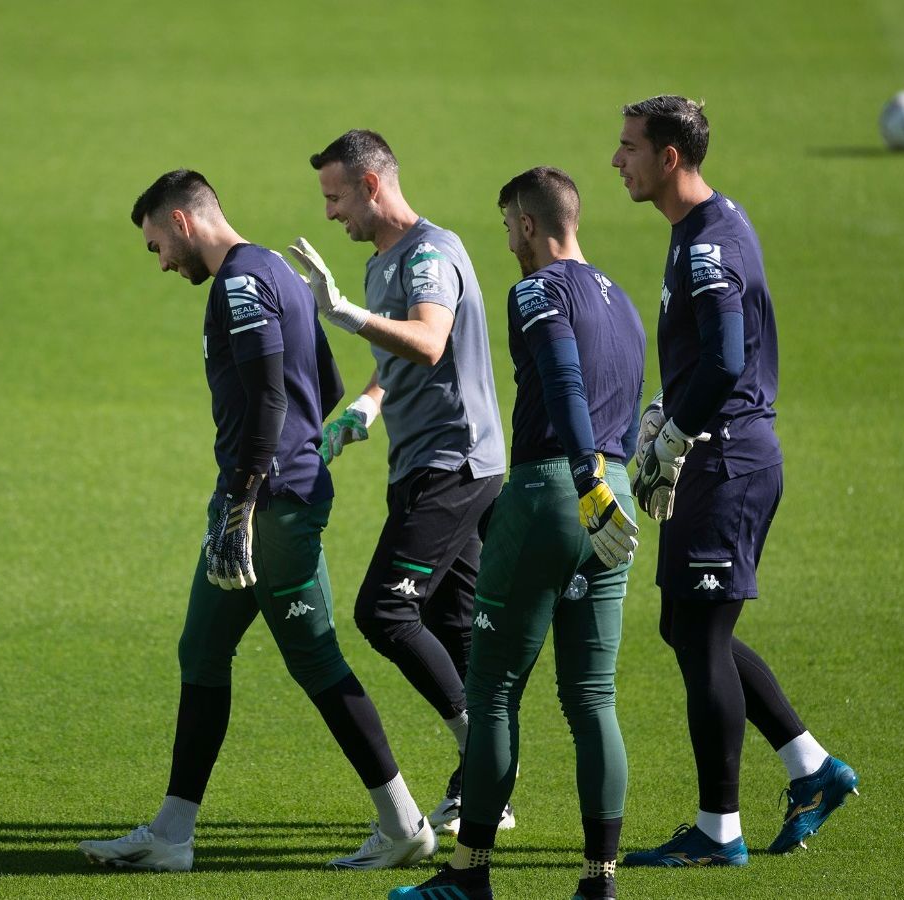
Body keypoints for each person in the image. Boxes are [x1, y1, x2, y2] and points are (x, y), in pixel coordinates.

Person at [78, 169, 437, 873]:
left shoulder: (240, 282)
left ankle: (404, 824)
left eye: (156, 245)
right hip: (263, 499)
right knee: (202, 653)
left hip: (269, 508)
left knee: (315, 658)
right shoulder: (275, 268)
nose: (160, 263)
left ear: (182, 221)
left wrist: (241, 504)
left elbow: (272, 397)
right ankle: (173, 835)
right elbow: (327, 385)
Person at [610, 96, 860, 867]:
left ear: (671, 158)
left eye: (629, 148)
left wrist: (677, 434)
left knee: (703, 635)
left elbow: (724, 359)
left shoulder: (711, 245)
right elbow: (705, 358)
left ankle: (720, 830)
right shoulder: (699, 230)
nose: (618, 160)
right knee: (687, 628)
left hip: (725, 462)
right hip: (720, 451)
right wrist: (664, 408)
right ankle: (811, 768)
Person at [391, 167, 644, 900]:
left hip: (554, 491)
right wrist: (606, 483)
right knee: (593, 696)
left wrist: (581, 475)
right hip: (613, 497)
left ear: (529, 223)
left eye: (507, 227)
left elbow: (565, 383)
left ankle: (468, 879)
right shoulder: (622, 300)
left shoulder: (537, 291)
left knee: (494, 688)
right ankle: (599, 880)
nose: (506, 242)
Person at [286, 130, 509, 834]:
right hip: (431, 462)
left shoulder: (428, 256)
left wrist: (344, 313)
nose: (329, 214)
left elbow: (430, 338)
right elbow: (404, 352)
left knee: (384, 611)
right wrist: (369, 404)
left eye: (335, 196)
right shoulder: (388, 260)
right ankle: (487, 792)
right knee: (452, 624)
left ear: (371, 185)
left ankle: (484, 763)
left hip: (455, 464)